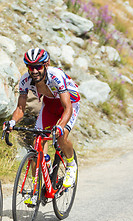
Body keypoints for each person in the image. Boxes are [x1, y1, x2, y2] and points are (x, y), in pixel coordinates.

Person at [4, 48, 80, 205]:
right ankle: (36, 190)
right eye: (30, 67)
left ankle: (71, 165)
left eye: (38, 66)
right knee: (36, 148)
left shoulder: (56, 76)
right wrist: (12, 122)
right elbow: (20, 109)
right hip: (50, 105)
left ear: (46, 64)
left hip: (69, 104)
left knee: (61, 136)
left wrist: (60, 127)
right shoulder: (25, 80)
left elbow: (67, 108)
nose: (34, 70)